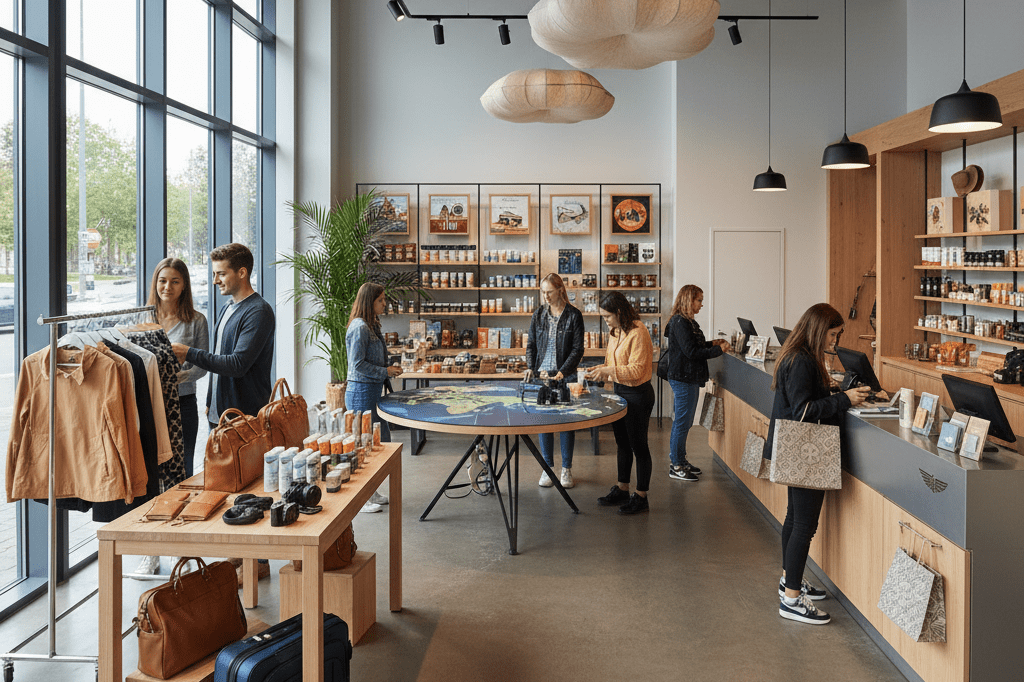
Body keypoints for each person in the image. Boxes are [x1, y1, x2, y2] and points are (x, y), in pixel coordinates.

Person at [171, 242, 275, 581]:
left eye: (221, 274)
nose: (216, 280)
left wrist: (188, 353)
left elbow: (237, 363)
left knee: (249, 490)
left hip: (244, 415)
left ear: (241, 272)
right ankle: (241, 554)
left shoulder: (258, 311)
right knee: (232, 489)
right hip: (222, 413)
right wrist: (210, 399)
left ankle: (258, 563)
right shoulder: (229, 308)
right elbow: (221, 360)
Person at [764, 303, 870, 625]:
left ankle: (789, 580)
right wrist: (844, 399)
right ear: (819, 330)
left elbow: (804, 398)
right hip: (805, 451)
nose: (835, 342)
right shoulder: (801, 361)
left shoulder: (799, 355)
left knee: (794, 519)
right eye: (833, 334)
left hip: (795, 450)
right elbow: (804, 411)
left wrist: (833, 390)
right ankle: (792, 600)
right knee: (804, 526)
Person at [586, 292, 655, 515]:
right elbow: (611, 362)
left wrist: (608, 371)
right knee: (622, 443)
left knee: (639, 446)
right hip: (619, 393)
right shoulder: (615, 331)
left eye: (607, 316)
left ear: (618, 312)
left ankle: (641, 496)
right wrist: (599, 370)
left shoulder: (639, 332)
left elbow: (637, 370)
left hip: (638, 395)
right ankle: (623, 488)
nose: (605, 320)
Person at [149, 257, 209, 478]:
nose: (168, 287)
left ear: (184, 285)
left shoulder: (196, 320)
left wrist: (173, 379)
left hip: (183, 405)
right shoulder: (143, 318)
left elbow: (201, 367)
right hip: (148, 404)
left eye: (175, 281)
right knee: (151, 470)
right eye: (163, 280)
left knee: (182, 468)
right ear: (156, 283)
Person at [345, 282, 402, 513]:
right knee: (364, 445)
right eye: (380, 300)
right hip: (361, 393)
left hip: (371, 391)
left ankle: (372, 491)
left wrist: (387, 371)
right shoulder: (360, 327)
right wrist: (385, 371)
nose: (384, 303)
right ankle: (362, 499)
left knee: (377, 442)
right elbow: (357, 365)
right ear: (369, 302)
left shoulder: (371, 325)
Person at [664, 285, 731, 482]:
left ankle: (681, 461)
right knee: (682, 423)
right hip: (683, 378)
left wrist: (714, 343)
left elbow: (696, 346)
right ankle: (676, 465)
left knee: (684, 423)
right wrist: (719, 351)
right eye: (699, 300)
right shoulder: (680, 322)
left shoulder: (687, 321)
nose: (701, 304)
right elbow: (691, 352)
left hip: (688, 377)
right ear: (689, 300)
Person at [525, 273, 584, 488]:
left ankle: (566, 469)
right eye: (543, 292)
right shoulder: (538, 314)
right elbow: (531, 344)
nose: (546, 296)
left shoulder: (574, 315)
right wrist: (530, 367)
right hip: (543, 375)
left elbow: (578, 349)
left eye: (549, 292)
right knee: (545, 422)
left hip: (565, 376)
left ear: (560, 290)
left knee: (566, 423)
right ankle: (547, 468)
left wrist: (563, 371)